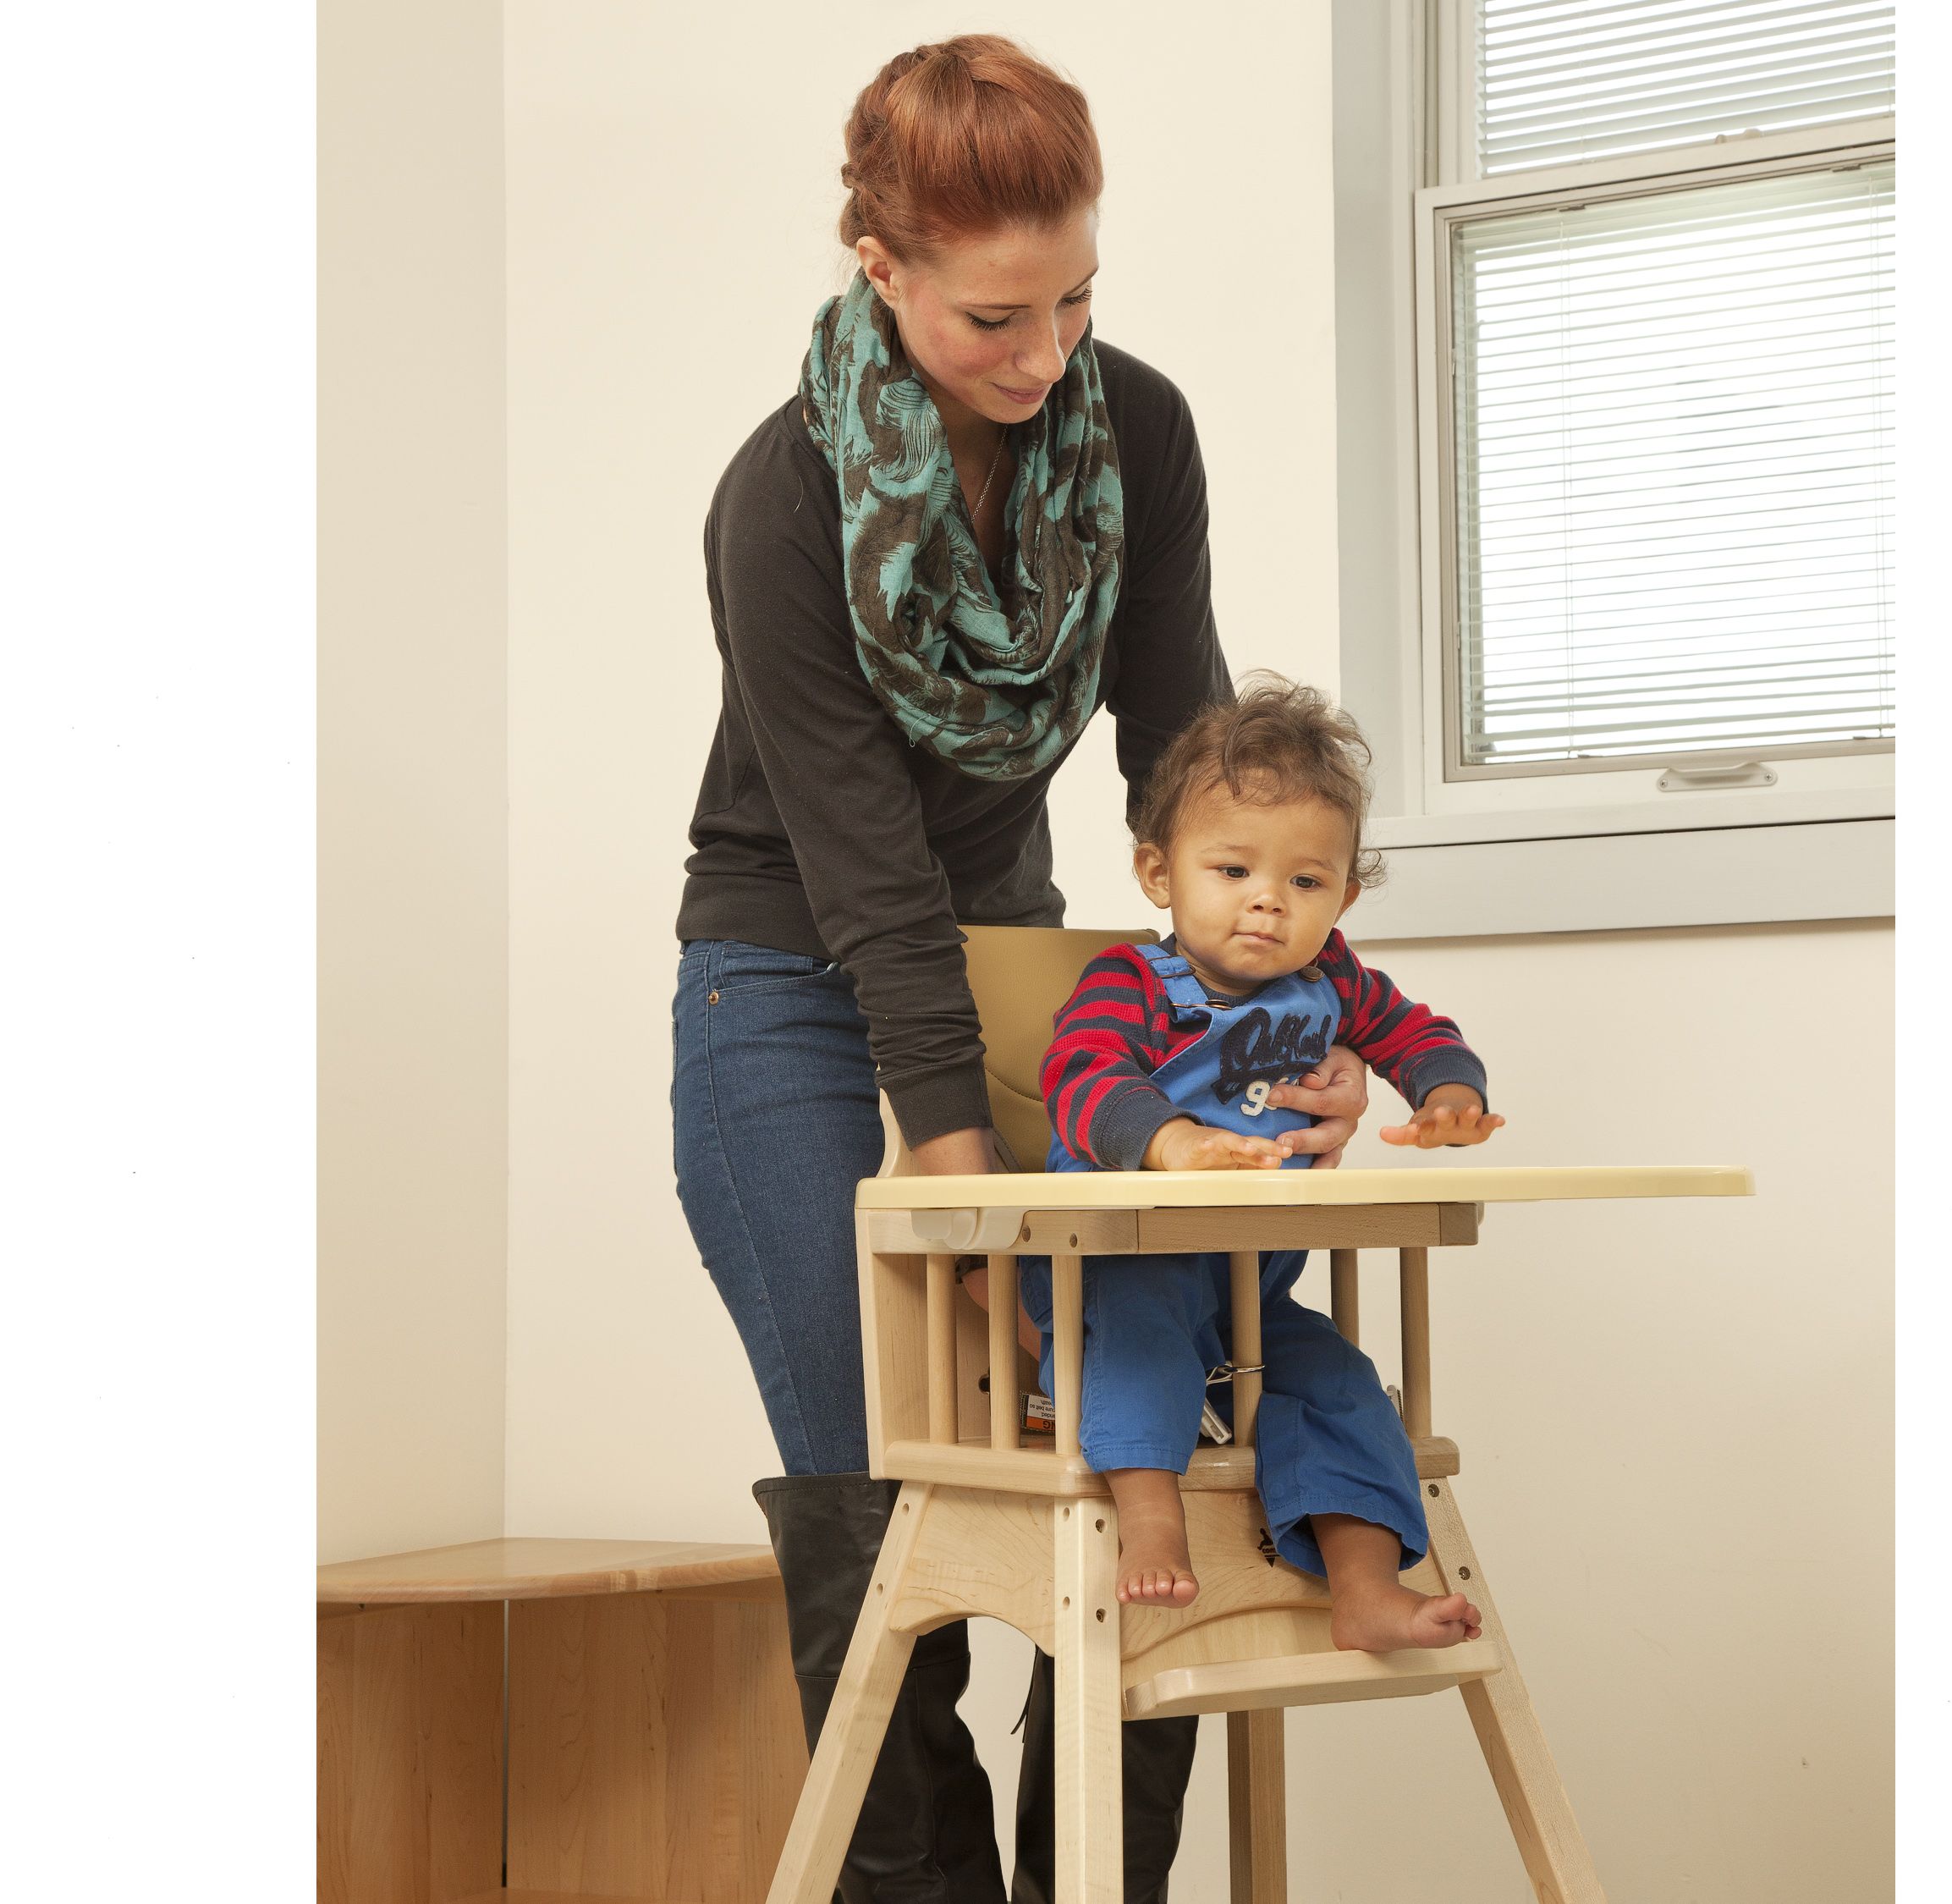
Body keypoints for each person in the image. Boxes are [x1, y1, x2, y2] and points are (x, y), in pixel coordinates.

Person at [667, 36, 1373, 1903]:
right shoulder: (780, 501)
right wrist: (955, 1169)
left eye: (1076, 297)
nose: (1045, 350)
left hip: (1013, 972)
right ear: (881, 265)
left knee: (1136, 1437)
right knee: (902, 1490)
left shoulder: (1132, 433)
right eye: (996, 312)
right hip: (793, 991)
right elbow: (863, 868)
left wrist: (1304, 1010)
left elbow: (1202, 765)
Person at [1022, 678, 1502, 1643]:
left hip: (1250, 1288)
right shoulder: (1134, 981)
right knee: (1147, 1320)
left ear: (1345, 896)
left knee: (1343, 1383)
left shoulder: (1336, 984)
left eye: (1305, 883)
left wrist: (1449, 1095)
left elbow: (1418, 1032)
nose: (1266, 905)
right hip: (1115, 1268)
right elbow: (1081, 1074)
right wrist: (1170, 1143)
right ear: (1160, 873)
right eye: (1232, 871)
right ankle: (1153, 1523)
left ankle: (1366, 1588)